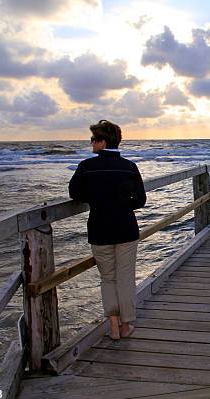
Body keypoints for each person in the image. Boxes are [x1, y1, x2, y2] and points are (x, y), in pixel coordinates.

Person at [68, 120, 146, 340]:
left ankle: (113, 326)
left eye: (93, 139)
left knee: (108, 279)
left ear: (102, 142)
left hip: (99, 229)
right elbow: (140, 200)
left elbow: (75, 194)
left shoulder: (86, 167)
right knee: (125, 278)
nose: (91, 143)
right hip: (126, 230)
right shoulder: (129, 167)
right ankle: (126, 325)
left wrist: (98, 200)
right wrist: (120, 204)